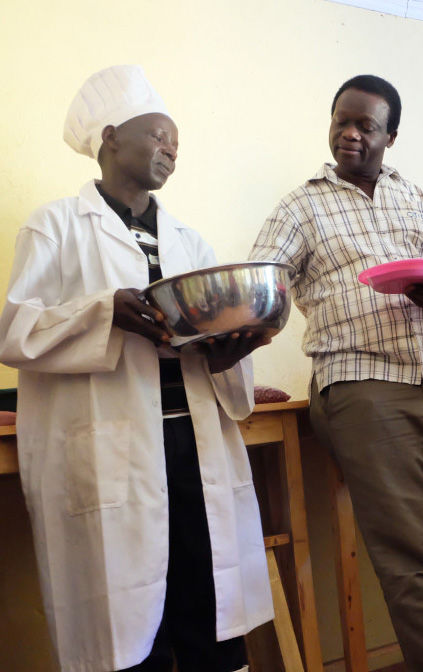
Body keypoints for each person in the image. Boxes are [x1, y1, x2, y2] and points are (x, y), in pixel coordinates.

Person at [0, 65, 273, 672]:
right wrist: (106, 312)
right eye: (157, 135)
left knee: (207, 597)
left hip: (193, 441)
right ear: (110, 137)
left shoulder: (189, 241)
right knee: (126, 620)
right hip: (108, 448)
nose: (170, 149)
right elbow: (15, 330)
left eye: (176, 142)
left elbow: (212, 340)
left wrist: (230, 353)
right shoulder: (55, 226)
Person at [249, 74, 423, 672]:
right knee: (408, 548)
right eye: (341, 121)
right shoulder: (301, 204)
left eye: (365, 125)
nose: (350, 133)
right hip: (359, 382)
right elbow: (262, 285)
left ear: (390, 136)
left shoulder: (419, 198)